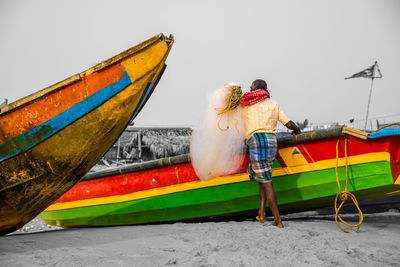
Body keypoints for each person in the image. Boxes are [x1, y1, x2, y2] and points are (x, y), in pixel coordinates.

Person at [242, 79, 301, 228]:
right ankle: (261, 213)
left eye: (251, 88)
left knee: (267, 181)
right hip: (271, 141)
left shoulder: (247, 105)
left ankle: (277, 221)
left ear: (254, 89)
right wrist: (297, 130)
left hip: (257, 140)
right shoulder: (273, 104)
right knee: (264, 176)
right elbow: (288, 123)